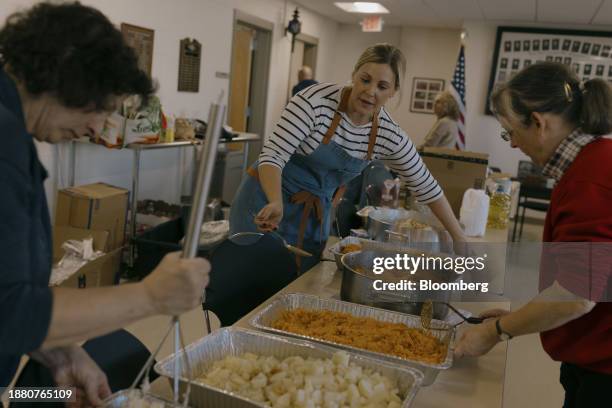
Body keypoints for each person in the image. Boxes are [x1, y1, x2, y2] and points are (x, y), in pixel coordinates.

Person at [0, 3, 210, 405]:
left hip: (8, 385)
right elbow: (9, 312)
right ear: (64, 77)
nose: (98, 128)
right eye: (101, 109)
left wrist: (61, 352)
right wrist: (149, 296)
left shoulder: (14, 130)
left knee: (33, 397)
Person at [230, 43, 467, 273]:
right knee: (248, 282)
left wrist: (459, 237)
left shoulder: (388, 134)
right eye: (365, 79)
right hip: (267, 202)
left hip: (313, 216)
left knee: (295, 283)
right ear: (354, 74)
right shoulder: (314, 102)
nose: (370, 91)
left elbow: (426, 186)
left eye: (382, 86)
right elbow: (273, 154)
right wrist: (275, 201)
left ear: (393, 92)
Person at [455, 62, 612, 407]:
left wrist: (495, 332)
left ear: (539, 123)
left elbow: (576, 295)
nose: (512, 145)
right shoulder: (592, 164)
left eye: (510, 132)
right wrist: (513, 318)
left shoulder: (590, 178)